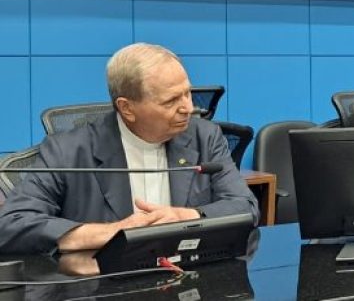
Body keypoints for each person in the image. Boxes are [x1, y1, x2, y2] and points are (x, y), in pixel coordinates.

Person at [0, 43, 259, 254]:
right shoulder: (68, 150)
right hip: (102, 286)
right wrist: (114, 232)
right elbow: (12, 224)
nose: (188, 108)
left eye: (187, 93)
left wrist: (187, 217)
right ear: (127, 108)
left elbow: (245, 207)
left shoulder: (205, 137)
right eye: (171, 101)